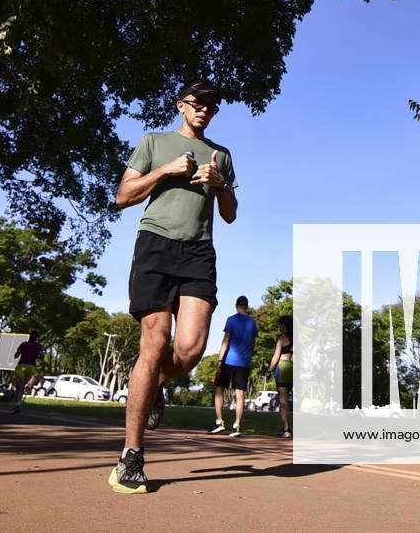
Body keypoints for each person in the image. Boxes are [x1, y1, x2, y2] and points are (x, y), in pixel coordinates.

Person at [108, 78, 238, 494]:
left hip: (199, 251)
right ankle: (131, 457)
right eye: (199, 102)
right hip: (155, 246)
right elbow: (123, 196)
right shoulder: (153, 142)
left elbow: (231, 214)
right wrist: (166, 171)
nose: (205, 109)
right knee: (155, 342)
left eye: (212, 105)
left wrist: (219, 185)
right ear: (182, 104)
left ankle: (154, 387)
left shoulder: (222, 155)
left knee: (190, 349)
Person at [210, 296, 257, 438]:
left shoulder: (231, 320)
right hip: (244, 362)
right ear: (247, 307)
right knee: (240, 395)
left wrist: (220, 359)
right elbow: (252, 343)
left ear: (236, 306)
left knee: (219, 389)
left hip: (229, 360)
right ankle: (236, 426)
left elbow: (226, 340)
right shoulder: (252, 322)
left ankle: (219, 422)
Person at [268, 315, 293, 438]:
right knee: (286, 400)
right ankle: (287, 426)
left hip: (282, 368)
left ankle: (286, 428)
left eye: (281, 325)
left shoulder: (281, 338)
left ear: (285, 326)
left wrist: (269, 369)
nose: (280, 327)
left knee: (283, 401)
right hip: (292, 369)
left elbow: (276, 356)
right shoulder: (296, 339)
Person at [11, 332, 44, 414]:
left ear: (29, 337)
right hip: (32, 367)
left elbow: (16, 356)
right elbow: (41, 357)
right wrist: (35, 355)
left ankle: (17, 404)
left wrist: (21, 352)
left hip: (22, 365)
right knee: (22, 386)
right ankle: (19, 402)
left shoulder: (23, 344)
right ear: (37, 338)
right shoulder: (39, 346)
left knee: (19, 387)